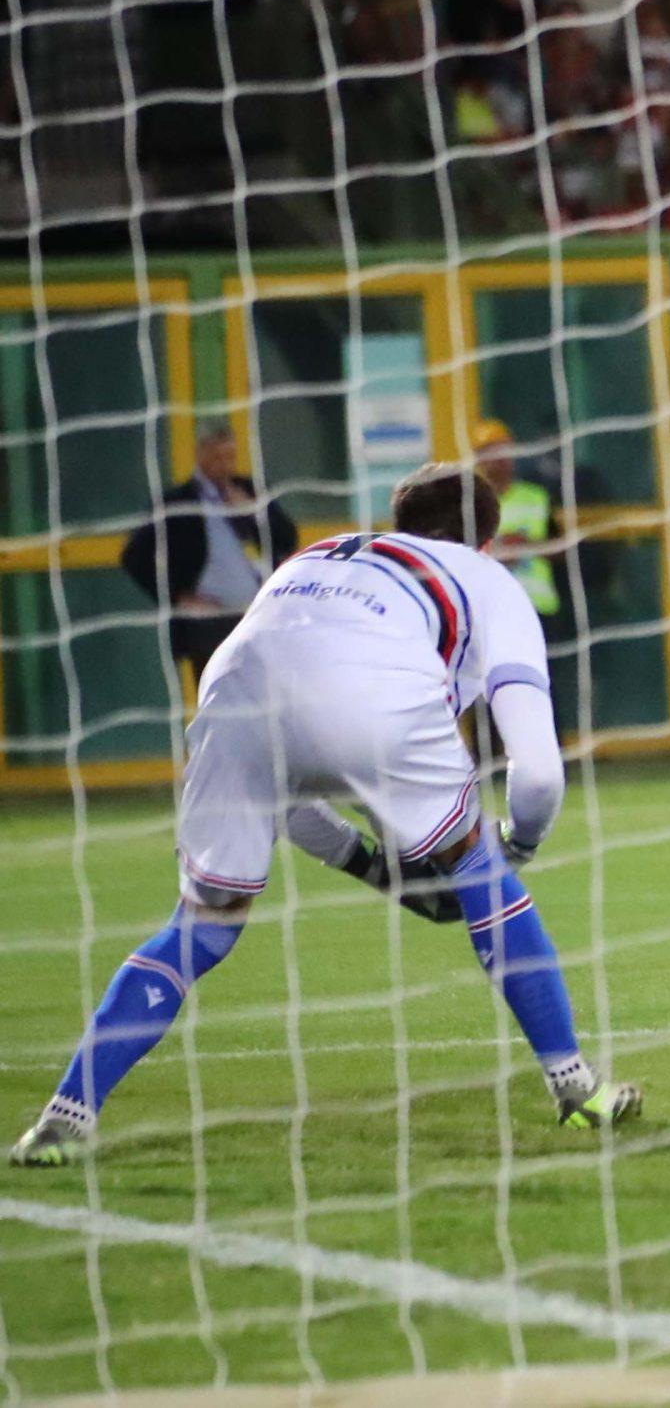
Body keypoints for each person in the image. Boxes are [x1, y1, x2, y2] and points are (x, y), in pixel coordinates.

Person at [11, 464, 638, 1168]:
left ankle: (62, 1119)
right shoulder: (488, 579)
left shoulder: (323, 554)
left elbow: (287, 777)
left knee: (202, 925)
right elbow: (540, 774)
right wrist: (511, 848)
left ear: (400, 526)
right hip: (371, 693)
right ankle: (576, 1087)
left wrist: (370, 865)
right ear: (485, 542)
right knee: (480, 872)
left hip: (230, 688)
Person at [121, 425, 301, 687]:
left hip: (256, 613)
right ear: (200, 455)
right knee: (216, 694)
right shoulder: (177, 502)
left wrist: (253, 511)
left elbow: (288, 538)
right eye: (217, 457)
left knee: (263, 692)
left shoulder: (250, 490)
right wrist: (177, 596)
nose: (225, 464)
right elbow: (134, 557)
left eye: (230, 457)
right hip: (208, 623)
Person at [474, 417, 562, 628]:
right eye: (491, 451)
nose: (500, 458)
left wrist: (524, 545)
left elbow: (561, 548)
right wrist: (494, 552)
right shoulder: (469, 504)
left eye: (504, 450)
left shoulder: (537, 497)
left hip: (537, 608)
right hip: (490, 611)